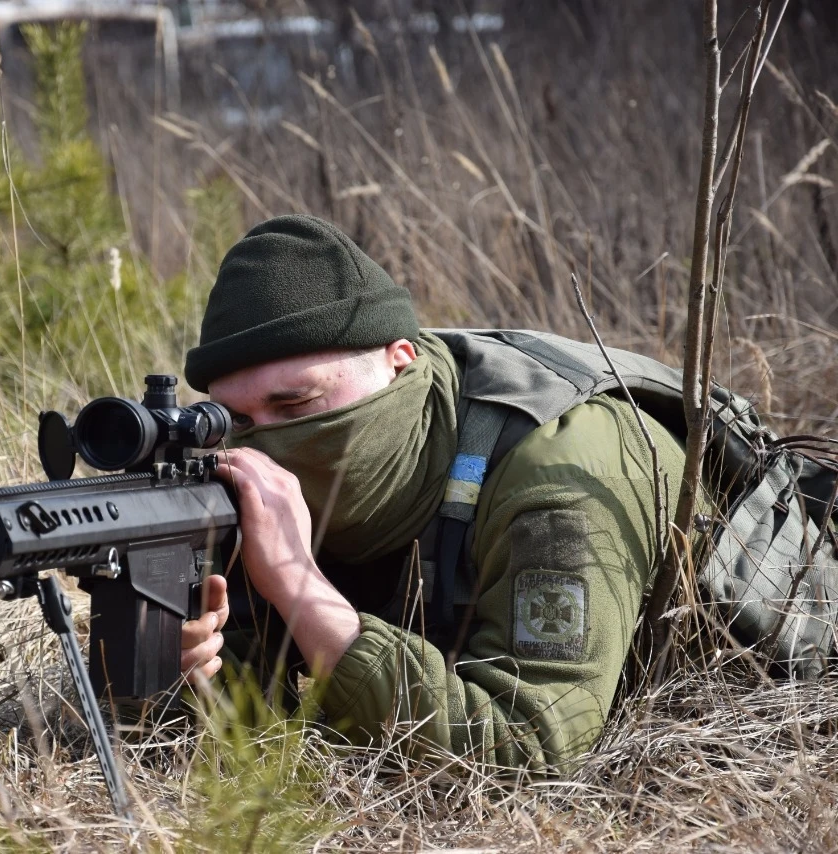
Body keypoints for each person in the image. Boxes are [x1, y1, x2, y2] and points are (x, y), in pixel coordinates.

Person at [177, 213, 689, 771]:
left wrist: (299, 584)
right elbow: (254, 744)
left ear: (400, 358)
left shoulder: (559, 470)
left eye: (297, 404)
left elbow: (530, 755)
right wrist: (189, 673)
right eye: (237, 421)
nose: (272, 440)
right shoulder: (260, 479)